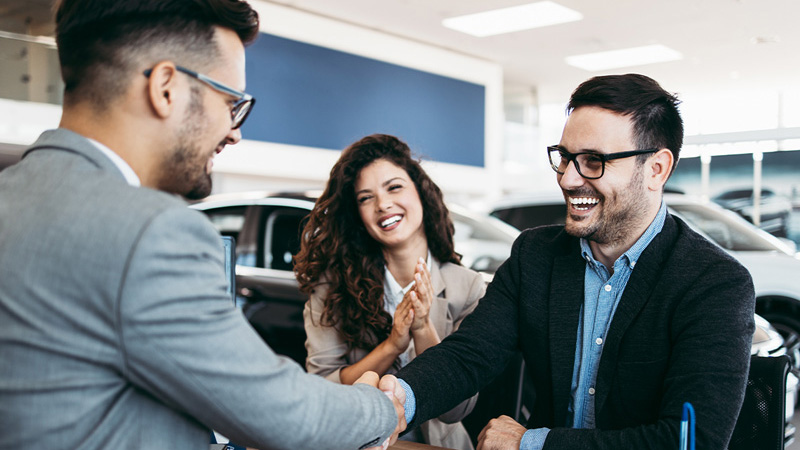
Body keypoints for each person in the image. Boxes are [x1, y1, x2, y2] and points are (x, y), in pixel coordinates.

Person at [0, 1, 405, 449]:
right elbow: (287, 416)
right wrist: (383, 406)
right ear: (166, 88)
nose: (235, 133)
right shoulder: (149, 231)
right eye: (231, 103)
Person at [393, 74, 756, 450]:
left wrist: (532, 444)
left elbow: (690, 442)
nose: (568, 179)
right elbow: (470, 355)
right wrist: (395, 402)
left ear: (657, 169)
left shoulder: (714, 283)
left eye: (593, 161)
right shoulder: (535, 255)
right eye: (565, 158)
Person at [294, 134, 484, 450]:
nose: (382, 204)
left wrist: (422, 329)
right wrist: (392, 345)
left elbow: (457, 410)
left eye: (394, 187)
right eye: (365, 198)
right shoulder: (332, 285)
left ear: (421, 193)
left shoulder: (468, 287)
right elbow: (322, 388)